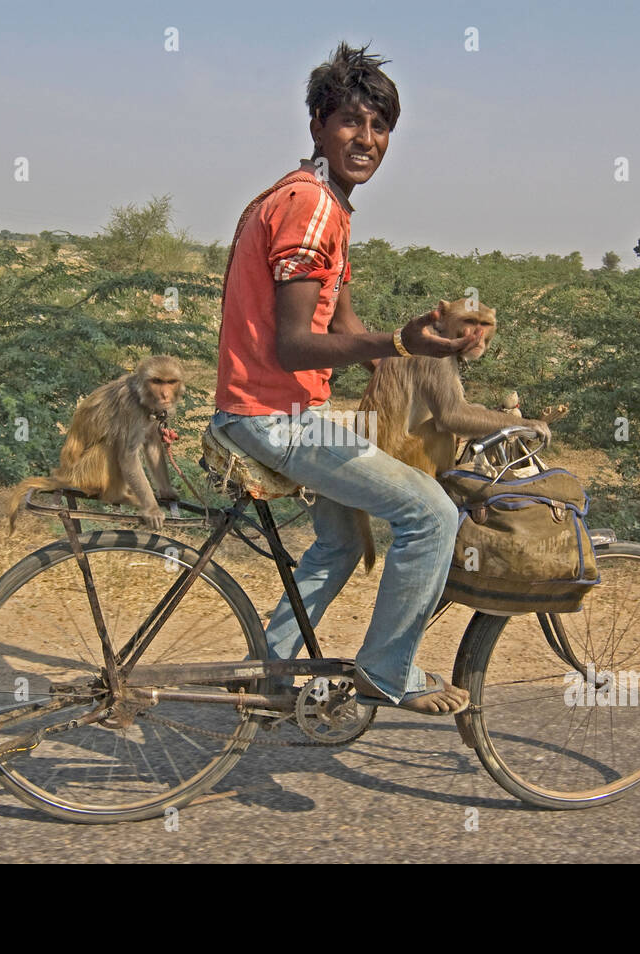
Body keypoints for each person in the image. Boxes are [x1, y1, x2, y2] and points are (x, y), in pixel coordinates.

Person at [209, 42, 483, 715]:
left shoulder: (316, 200)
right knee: (428, 514)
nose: (366, 139)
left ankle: (270, 672)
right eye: (351, 123)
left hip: (268, 410)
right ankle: (389, 668)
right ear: (318, 128)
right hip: (273, 418)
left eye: (380, 126)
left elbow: (343, 326)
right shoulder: (312, 208)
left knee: (338, 539)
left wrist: (425, 346)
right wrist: (395, 340)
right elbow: (298, 343)